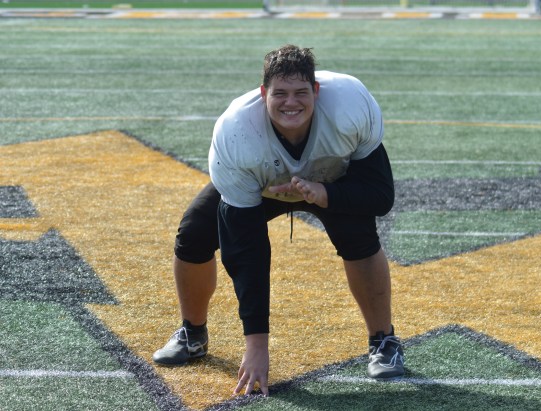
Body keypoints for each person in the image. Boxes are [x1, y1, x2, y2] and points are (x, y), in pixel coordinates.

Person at [153, 44, 404, 395]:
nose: (291, 103)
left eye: (301, 93)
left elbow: (379, 195)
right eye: (280, 94)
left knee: (359, 236)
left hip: (330, 180)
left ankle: (383, 341)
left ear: (316, 91)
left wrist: (324, 193)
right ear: (263, 94)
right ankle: (193, 333)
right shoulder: (237, 131)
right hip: (260, 186)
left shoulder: (350, 105)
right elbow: (246, 250)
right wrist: (257, 344)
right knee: (194, 234)